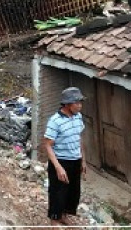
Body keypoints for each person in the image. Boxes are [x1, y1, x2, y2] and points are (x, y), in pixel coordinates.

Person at [42, 87, 86, 227]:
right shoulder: (55, 121)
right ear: (67, 104)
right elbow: (48, 145)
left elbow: (79, 138)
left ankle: (64, 216)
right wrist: (58, 167)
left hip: (75, 160)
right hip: (61, 161)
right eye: (76, 103)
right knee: (57, 193)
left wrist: (83, 160)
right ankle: (54, 220)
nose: (79, 105)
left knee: (73, 191)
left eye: (80, 102)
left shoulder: (78, 116)